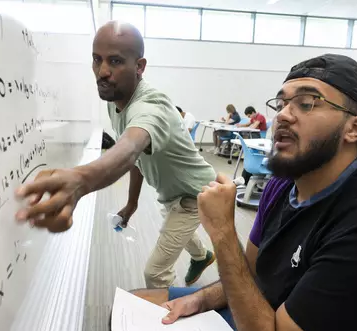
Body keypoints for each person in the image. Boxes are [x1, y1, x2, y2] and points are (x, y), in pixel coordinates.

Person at [130, 54, 357, 331]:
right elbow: (254, 273)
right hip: (266, 313)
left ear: (354, 128)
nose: (282, 115)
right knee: (138, 304)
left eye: (306, 103)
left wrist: (222, 232)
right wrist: (202, 300)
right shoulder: (282, 184)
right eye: (281, 104)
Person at [14, 21, 216, 289]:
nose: (102, 71)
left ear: (140, 66)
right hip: (172, 194)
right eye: (97, 60)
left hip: (197, 195)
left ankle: (171, 324)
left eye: (116, 61)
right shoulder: (116, 100)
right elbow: (136, 157)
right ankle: (202, 257)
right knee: (175, 226)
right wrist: (132, 204)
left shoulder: (150, 105)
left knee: (155, 273)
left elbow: (131, 146)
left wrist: (82, 178)